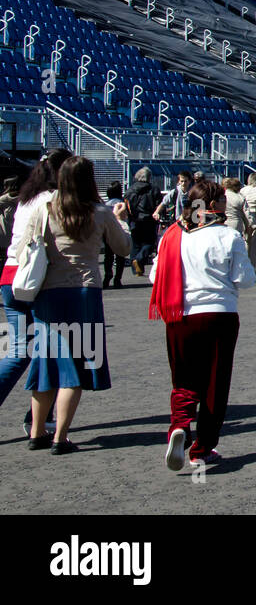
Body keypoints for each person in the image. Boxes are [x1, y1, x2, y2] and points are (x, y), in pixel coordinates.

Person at [23, 156, 131, 453]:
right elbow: (123, 248)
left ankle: (36, 431)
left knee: (45, 363)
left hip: (48, 292)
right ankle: (60, 436)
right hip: (84, 292)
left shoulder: (44, 210)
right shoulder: (100, 212)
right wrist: (121, 219)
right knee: (76, 366)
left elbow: (25, 248)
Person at [150, 178, 256, 470]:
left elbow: (154, 277)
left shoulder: (171, 236)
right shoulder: (228, 236)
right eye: (223, 199)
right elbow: (244, 279)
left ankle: (179, 425)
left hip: (179, 314)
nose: (227, 203)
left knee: (183, 377)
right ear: (212, 206)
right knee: (214, 381)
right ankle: (202, 447)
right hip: (218, 313)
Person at [1, 150, 72, 422]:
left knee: (19, 351)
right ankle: (40, 417)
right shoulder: (53, 200)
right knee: (53, 349)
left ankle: (39, 416)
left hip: (10, 275)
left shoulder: (26, 199)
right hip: (39, 278)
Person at [126, 167, 161, 275]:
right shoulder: (154, 189)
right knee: (149, 243)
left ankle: (136, 269)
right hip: (149, 220)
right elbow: (158, 204)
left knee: (135, 245)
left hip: (135, 220)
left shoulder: (130, 189)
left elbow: (127, 205)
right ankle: (140, 259)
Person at [102, 180, 129, 288]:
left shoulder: (105, 205)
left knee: (108, 255)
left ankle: (107, 275)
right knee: (120, 256)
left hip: (108, 232)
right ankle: (118, 279)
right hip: (121, 231)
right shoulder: (123, 204)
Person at [239, 172, 256, 268]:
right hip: (255, 214)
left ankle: (243, 264)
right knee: (255, 244)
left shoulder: (243, 190)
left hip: (244, 215)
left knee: (245, 241)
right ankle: (252, 265)